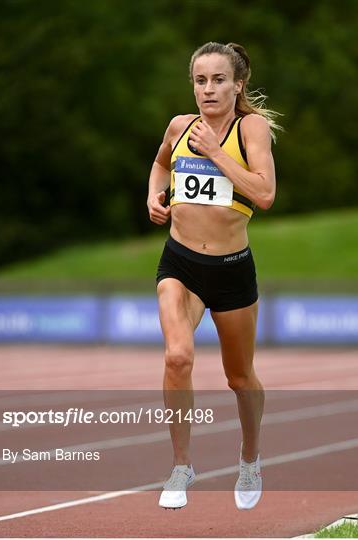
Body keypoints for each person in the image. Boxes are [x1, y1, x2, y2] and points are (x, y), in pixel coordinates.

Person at [147, 41, 281, 510]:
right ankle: (181, 467)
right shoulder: (180, 127)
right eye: (200, 80)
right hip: (180, 263)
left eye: (219, 79)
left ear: (238, 83)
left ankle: (249, 459)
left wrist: (216, 154)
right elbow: (162, 161)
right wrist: (154, 194)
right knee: (177, 357)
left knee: (240, 378)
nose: (208, 89)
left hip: (230, 270)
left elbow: (264, 195)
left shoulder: (251, 128)